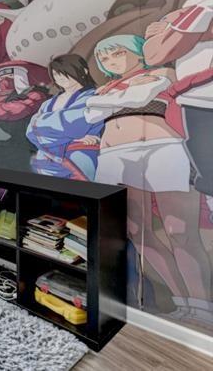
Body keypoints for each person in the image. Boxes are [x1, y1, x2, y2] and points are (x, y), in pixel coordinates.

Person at [86, 34, 212, 327]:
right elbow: (91, 112)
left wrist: (110, 100)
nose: (110, 61)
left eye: (117, 53)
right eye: (104, 58)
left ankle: (202, 305)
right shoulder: (105, 88)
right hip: (113, 155)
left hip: (160, 148)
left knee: (178, 229)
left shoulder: (163, 73)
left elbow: (141, 96)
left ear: (136, 51)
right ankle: (182, 302)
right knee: (135, 229)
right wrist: (112, 98)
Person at [144, 0, 213, 213]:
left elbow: (166, 44)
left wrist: (173, 27)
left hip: (200, 98)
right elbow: (154, 52)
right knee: (208, 172)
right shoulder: (194, 6)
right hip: (197, 100)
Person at [26, 54, 103, 180]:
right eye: (56, 74)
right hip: (45, 162)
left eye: (64, 72)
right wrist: (73, 138)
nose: (60, 78)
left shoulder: (93, 97)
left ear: (84, 71)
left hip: (78, 159)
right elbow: (31, 131)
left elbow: (74, 126)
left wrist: (41, 125)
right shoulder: (47, 103)